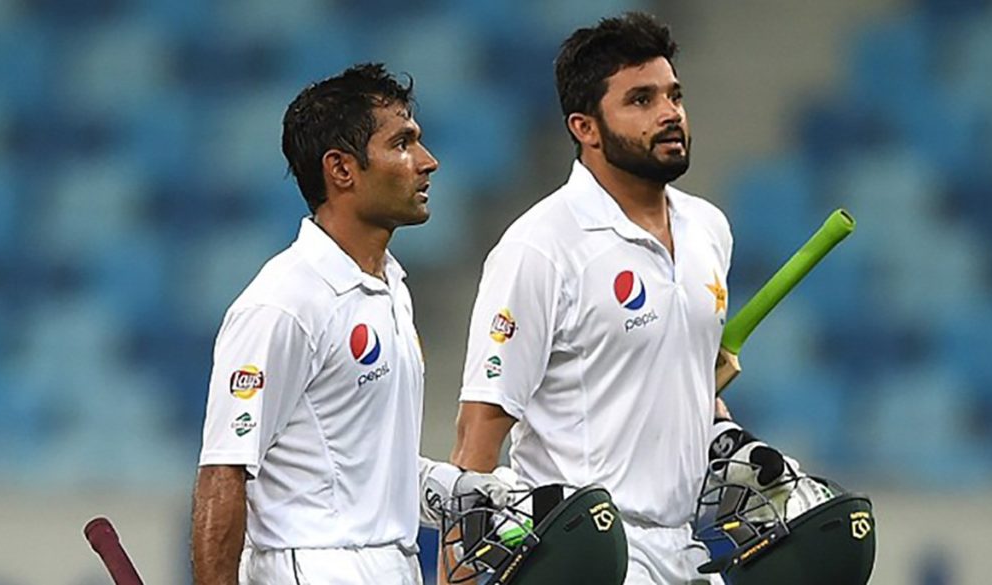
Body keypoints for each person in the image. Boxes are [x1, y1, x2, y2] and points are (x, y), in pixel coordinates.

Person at [191, 63, 510, 585]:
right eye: (403, 143)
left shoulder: (390, 289)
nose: (428, 163)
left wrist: (450, 491)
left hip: (392, 563)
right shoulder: (283, 302)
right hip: (315, 567)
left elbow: (354, 469)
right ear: (341, 169)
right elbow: (224, 472)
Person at [449, 13, 737, 584]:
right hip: (583, 553)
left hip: (683, 549)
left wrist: (723, 428)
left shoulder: (709, 228)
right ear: (585, 127)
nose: (669, 113)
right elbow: (478, 430)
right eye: (641, 100)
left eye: (674, 95)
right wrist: (456, 576)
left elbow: (685, 384)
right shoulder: (540, 247)